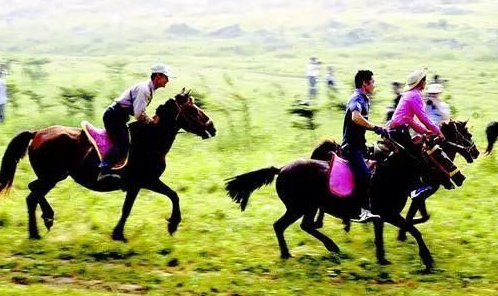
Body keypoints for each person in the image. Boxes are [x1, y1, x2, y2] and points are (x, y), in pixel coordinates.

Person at [97, 63, 175, 182]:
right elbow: (138, 114)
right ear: (158, 76)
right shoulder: (144, 90)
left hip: (119, 117)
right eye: (166, 77)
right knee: (122, 144)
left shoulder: (149, 89)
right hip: (114, 116)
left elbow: (139, 113)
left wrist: (149, 120)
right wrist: (151, 122)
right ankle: (104, 171)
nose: (168, 80)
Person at [388, 70, 445, 200]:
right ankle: (415, 188)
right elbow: (423, 118)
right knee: (414, 157)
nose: (426, 82)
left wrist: (426, 131)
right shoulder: (415, 95)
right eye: (424, 80)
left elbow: (411, 120)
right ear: (420, 82)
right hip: (399, 131)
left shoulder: (409, 94)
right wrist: (437, 131)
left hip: (399, 130)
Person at [342, 70, 386, 223]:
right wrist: (375, 127)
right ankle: (363, 212)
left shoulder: (364, 99)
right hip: (352, 148)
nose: (374, 85)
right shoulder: (357, 98)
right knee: (365, 175)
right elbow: (355, 117)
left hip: (360, 145)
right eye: (372, 82)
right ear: (364, 83)